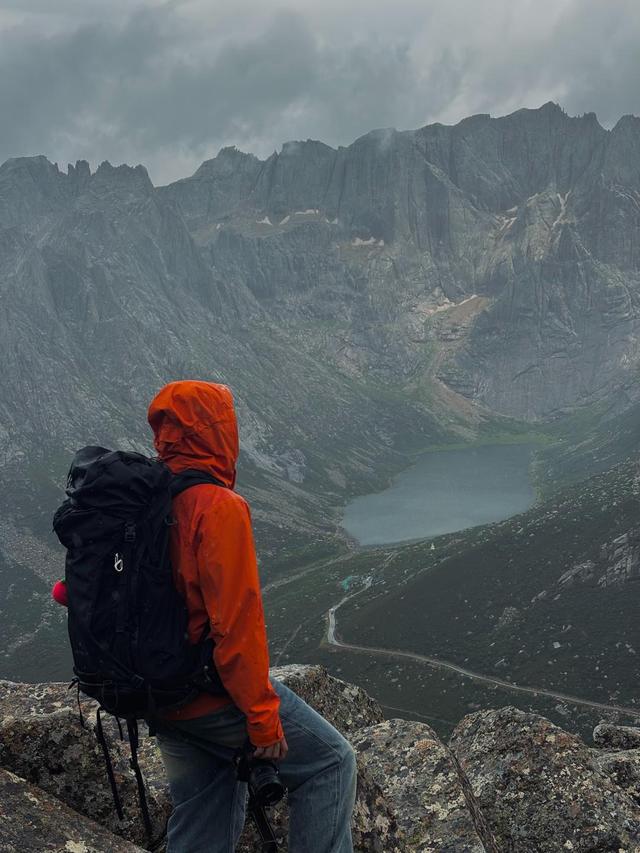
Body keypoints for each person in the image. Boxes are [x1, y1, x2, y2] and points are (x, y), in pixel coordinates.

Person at [146, 380, 357, 853]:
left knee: (204, 811)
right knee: (330, 764)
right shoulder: (217, 507)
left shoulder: (141, 497)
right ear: (219, 431)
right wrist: (262, 720)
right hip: (205, 692)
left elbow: (73, 591)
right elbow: (236, 626)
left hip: (154, 692)